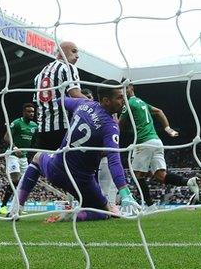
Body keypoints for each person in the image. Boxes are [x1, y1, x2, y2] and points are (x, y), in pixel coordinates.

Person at [14, 80, 140, 221]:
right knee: (106, 212)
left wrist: (62, 91)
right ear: (106, 101)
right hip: (82, 182)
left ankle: (17, 208)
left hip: (56, 169)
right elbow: (114, 160)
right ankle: (73, 215)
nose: (124, 100)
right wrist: (125, 194)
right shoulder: (110, 127)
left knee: (37, 157)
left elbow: (62, 101)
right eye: (119, 97)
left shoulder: (83, 104)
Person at [119, 78, 185, 209]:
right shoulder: (142, 102)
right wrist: (167, 129)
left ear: (131, 87)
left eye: (125, 88)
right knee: (161, 176)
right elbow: (159, 111)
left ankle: (149, 206)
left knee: (137, 175)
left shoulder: (128, 103)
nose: (123, 91)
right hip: (156, 141)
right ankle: (189, 182)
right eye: (121, 89)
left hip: (144, 142)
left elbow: (120, 125)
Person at [33, 41, 86, 154]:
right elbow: (75, 94)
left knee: (46, 167)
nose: (77, 56)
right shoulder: (67, 67)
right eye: (74, 51)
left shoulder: (40, 75)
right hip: (63, 127)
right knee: (66, 166)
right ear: (61, 53)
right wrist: (95, 105)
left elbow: (37, 104)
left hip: (43, 130)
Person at [0, 103, 37, 215]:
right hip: (12, 154)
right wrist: (15, 148)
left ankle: (17, 206)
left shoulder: (34, 126)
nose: (31, 114)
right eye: (29, 111)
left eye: (33, 112)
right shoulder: (17, 123)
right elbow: (6, 137)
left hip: (24, 157)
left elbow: (33, 142)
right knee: (15, 178)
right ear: (24, 112)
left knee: (24, 182)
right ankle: (3, 206)